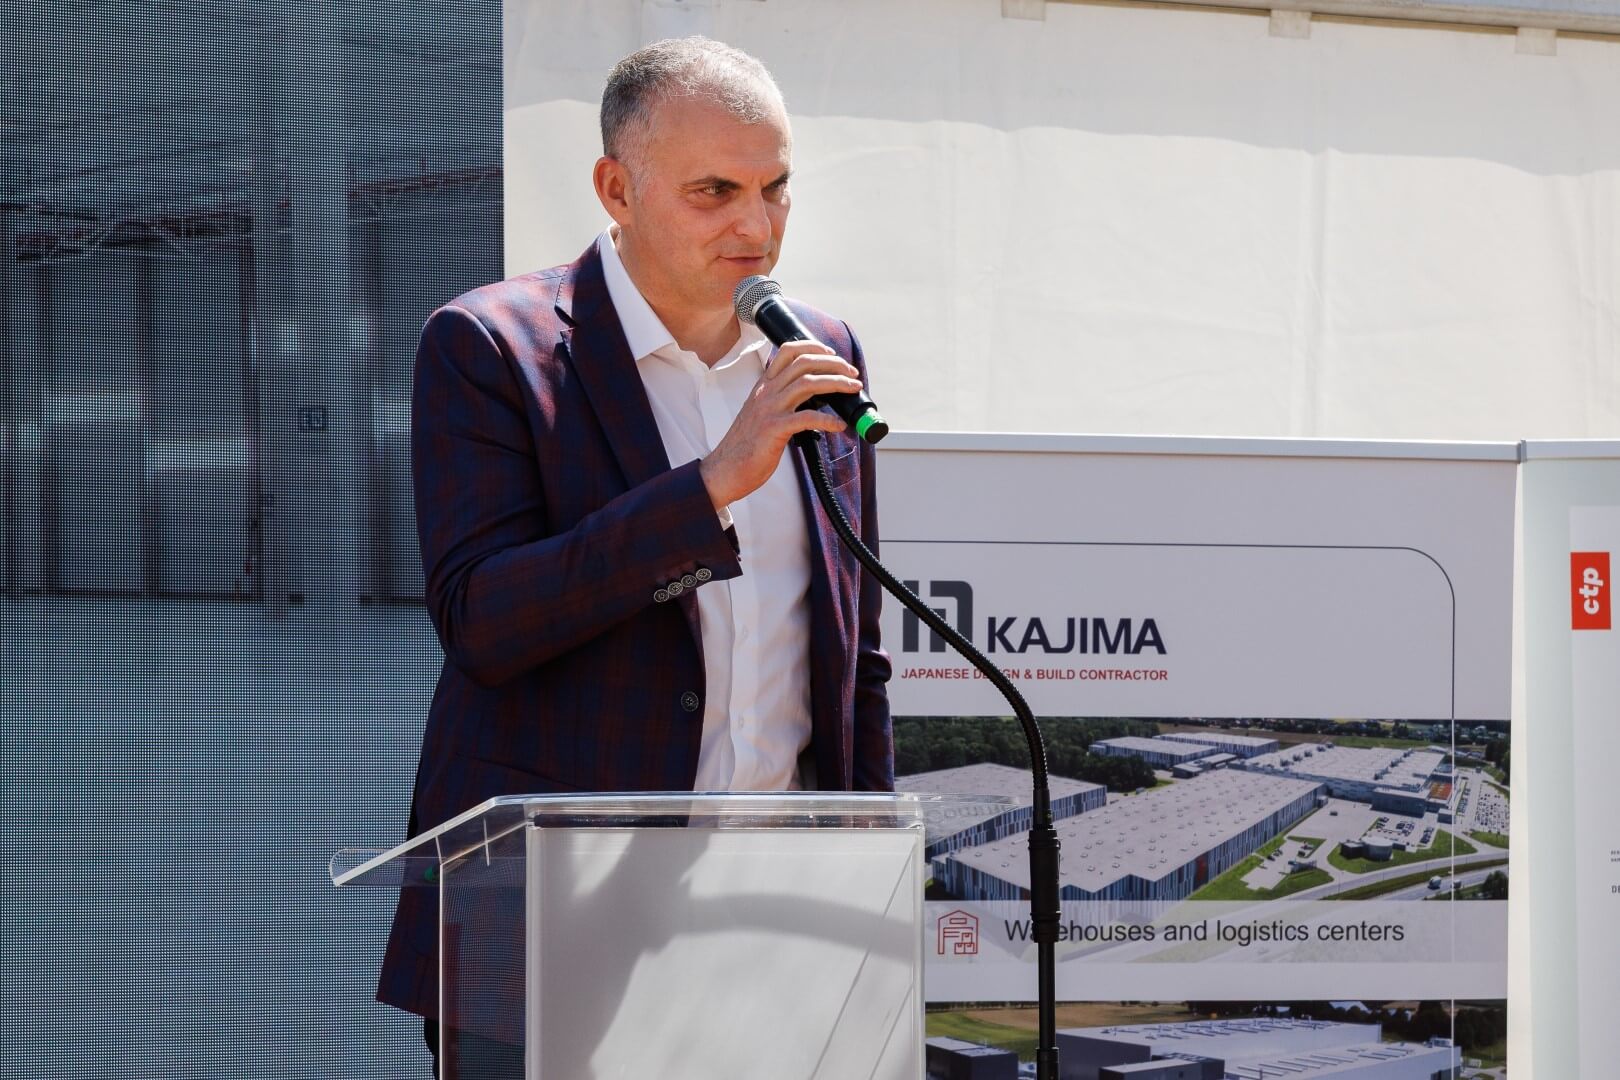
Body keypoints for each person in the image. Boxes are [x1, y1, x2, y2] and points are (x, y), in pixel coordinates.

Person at [376, 36, 894, 1071]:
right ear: (617, 188)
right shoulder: (493, 348)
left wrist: (873, 878)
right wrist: (709, 488)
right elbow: (483, 620)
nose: (757, 226)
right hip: (550, 916)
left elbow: (854, 654)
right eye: (715, 192)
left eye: (775, 188)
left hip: (779, 919)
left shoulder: (819, 352)